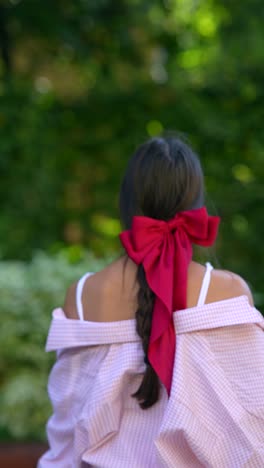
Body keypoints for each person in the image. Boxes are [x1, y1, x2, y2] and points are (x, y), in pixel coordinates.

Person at [38, 136, 264, 467]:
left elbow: (66, 431)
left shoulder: (83, 296)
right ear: (196, 203)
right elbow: (251, 425)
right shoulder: (227, 291)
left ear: (125, 205)